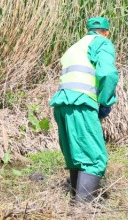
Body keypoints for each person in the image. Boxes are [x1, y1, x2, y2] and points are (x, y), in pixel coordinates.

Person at [50, 17, 119, 202]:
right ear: (106, 32)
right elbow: (107, 73)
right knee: (95, 158)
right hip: (82, 103)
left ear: (87, 30)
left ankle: (75, 202)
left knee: (76, 156)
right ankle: (83, 212)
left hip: (61, 105)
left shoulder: (75, 46)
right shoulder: (102, 42)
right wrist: (105, 102)